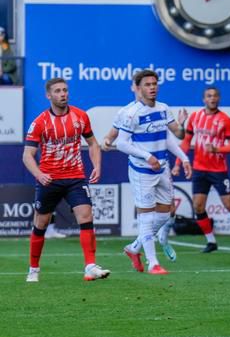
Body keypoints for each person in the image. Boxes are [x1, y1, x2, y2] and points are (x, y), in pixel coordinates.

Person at [22, 78, 109, 282]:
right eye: (58, 91)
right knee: (41, 224)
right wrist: (39, 174)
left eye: (65, 90)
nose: (63, 94)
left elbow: (93, 144)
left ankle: (90, 266)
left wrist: (96, 166)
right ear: (49, 95)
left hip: (75, 177)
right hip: (49, 179)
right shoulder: (40, 122)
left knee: (86, 216)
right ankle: (33, 269)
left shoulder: (80, 116)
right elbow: (27, 155)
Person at [113, 69, 191, 275]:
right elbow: (121, 143)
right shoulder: (131, 113)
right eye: (148, 84)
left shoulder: (164, 109)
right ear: (138, 89)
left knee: (165, 215)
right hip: (142, 171)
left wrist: (184, 158)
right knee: (146, 217)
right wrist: (147, 157)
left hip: (163, 168)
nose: (152, 87)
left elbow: (171, 138)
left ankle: (134, 248)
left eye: (155, 84)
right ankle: (153, 263)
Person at [175, 86, 230, 253]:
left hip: (218, 169)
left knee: (228, 204)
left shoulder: (225, 120)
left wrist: (218, 150)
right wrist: (178, 163)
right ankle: (211, 241)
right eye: (209, 96)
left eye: (215, 96)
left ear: (218, 99)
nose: (212, 98)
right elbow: (185, 142)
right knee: (198, 206)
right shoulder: (195, 117)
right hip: (199, 168)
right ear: (204, 99)